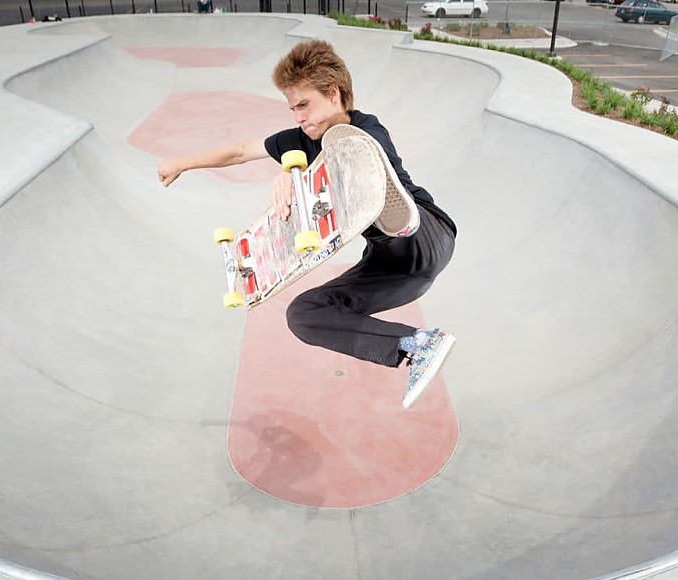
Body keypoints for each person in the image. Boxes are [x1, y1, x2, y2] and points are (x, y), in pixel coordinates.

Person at [158, 40, 456, 409]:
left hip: (425, 234)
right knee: (303, 314)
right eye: (292, 108)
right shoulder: (298, 141)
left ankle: (390, 214)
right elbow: (239, 152)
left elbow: (348, 157)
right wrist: (182, 163)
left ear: (333, 93)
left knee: (351, 158)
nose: (298, 117)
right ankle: (416, 345)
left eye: (304, 105)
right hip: (397, 272)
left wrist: (291, 176)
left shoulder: (365, 128)